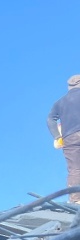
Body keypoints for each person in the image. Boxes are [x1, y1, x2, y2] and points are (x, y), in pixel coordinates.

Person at [48, 75, 80, 204]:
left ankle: (76, 200)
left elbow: (50, 119)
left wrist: (57, 136)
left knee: (75, 169)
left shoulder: (60, 102)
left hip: (70, 137)